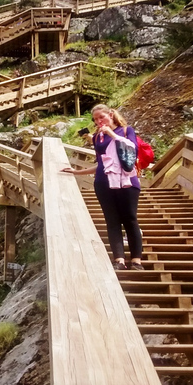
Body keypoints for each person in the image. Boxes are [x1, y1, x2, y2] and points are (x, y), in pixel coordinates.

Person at [62, 104, 143, 270]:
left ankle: (136, 260)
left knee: (130, 219)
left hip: (127, 181)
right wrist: (77, 172)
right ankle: (119, 260)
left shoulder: (127, 130)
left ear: (111, 114)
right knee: (112, 221)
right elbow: (101, 163)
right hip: (103, 182)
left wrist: (111, 133)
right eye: (96, 119)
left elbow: (132, 148)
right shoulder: (97, 137)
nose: (99, 121)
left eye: (102, 117)